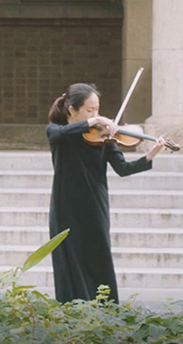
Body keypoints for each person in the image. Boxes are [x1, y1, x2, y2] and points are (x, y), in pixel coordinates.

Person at [47, 83, 166, 303]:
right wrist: (92, 122)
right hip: (65, 205)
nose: (97, 115)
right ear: (72, 110)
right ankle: (71, 309)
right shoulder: (57, 131)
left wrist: (149, 156)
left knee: (98, 256)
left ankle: (106, 310)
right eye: (90, 110)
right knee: (68, 259)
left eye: (97, 110)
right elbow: (59, 134)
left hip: (95, 204)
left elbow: (123, 169)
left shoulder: (105, 136)